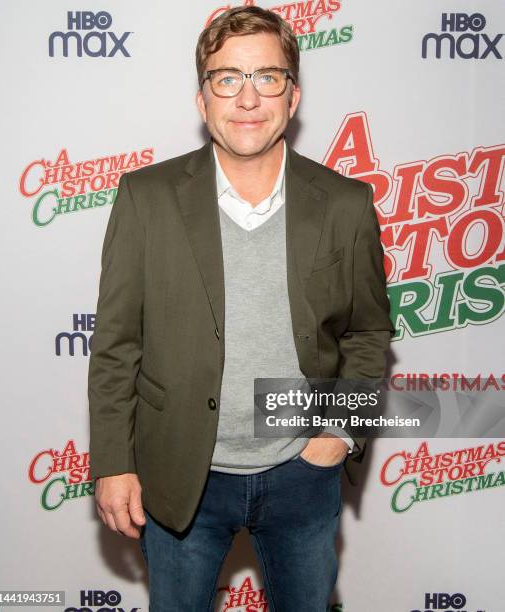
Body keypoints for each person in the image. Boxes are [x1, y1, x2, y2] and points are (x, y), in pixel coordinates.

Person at [88, 6, 394, 611]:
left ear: (294, 94)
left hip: (301, 474)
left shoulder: (346, 204)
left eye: (267, 77)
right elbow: (117, 345)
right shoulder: (145, 198)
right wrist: (113, 462)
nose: (247, 98)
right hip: (180, 478)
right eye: (227, 78)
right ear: (203, 99)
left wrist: (337, 433)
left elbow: (368, 332)